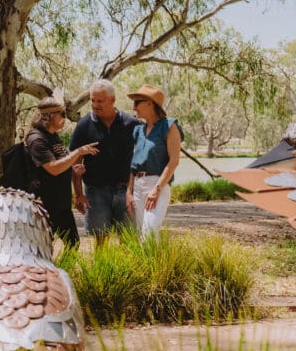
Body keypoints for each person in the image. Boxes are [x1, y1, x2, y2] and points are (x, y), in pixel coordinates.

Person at [70, 79, 139, 245]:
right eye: (93, 100)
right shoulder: (84, 125)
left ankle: (130, 270)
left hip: (125, 191)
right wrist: (78, 194)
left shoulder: (131, 123)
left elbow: (144, 155)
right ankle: (103, 270)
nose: (95, 105)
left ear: (112, 100)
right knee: (101, 241)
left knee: (129, 240)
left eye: (99, 101)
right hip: (96, 192)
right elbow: (75, 162)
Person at [24, 97, 98, 247]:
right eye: (62, 114)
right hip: (45, 204)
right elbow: (53, 168)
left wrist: (73, 170)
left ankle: (62, 270)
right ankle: (48, 271)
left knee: (73, 243)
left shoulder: (53, 136)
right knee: (43, 247)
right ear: (49, 116)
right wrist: (78, 152)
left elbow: (61, 164)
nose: (65, 118)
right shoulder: (37, 139)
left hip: (61, 202)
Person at [126, 84, 183, 237]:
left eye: (137, 103)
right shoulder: (138, 130)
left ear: (150, 103)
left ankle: (156, 261)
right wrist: (129, 192)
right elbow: (133, 166)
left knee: (149, 234)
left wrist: (157, 189)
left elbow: (174, 161)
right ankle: (147, 262)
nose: (134, 108)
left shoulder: (169, 126)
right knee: (139, 235)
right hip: (137, 187)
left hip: (157, 184)